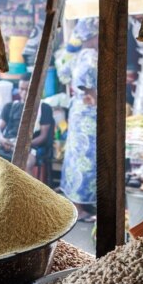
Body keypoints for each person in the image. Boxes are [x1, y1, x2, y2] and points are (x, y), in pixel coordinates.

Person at [56, 18, 98, 222]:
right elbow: (84, 83)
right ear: (93, 35)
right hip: (88, 113)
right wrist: (97, 99)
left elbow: (65, 76)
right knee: (85, 158)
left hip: (79, 111)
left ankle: (78, 203)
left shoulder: (77, 55)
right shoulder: (90, 56)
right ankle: (79, 207)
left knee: (77, 156)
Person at [0, 74, 55, 178]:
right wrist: (2, 139)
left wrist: (24, 145)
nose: (23, 93)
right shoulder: (9, 107)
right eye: (21, 89)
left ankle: (31, 193)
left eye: (27, 90)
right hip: (8, 144)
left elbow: (43, 136)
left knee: (26, 164)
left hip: (29, 146)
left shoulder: (44, 108)